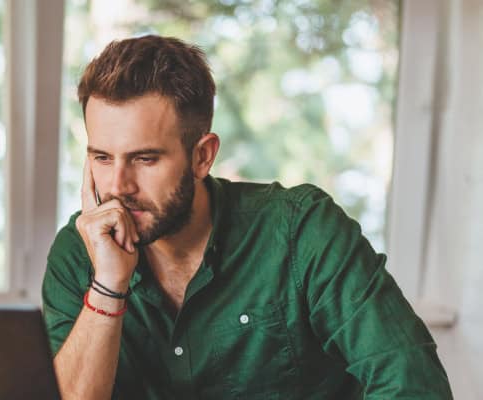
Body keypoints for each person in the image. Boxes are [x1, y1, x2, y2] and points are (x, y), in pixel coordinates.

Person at [41, 35, 452, 399]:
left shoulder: (301, 230)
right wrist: (108, 287)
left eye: (144, 159)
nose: (118, 185)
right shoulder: (78, 253)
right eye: (101, 158)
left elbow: (413, 384)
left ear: (202, 156)